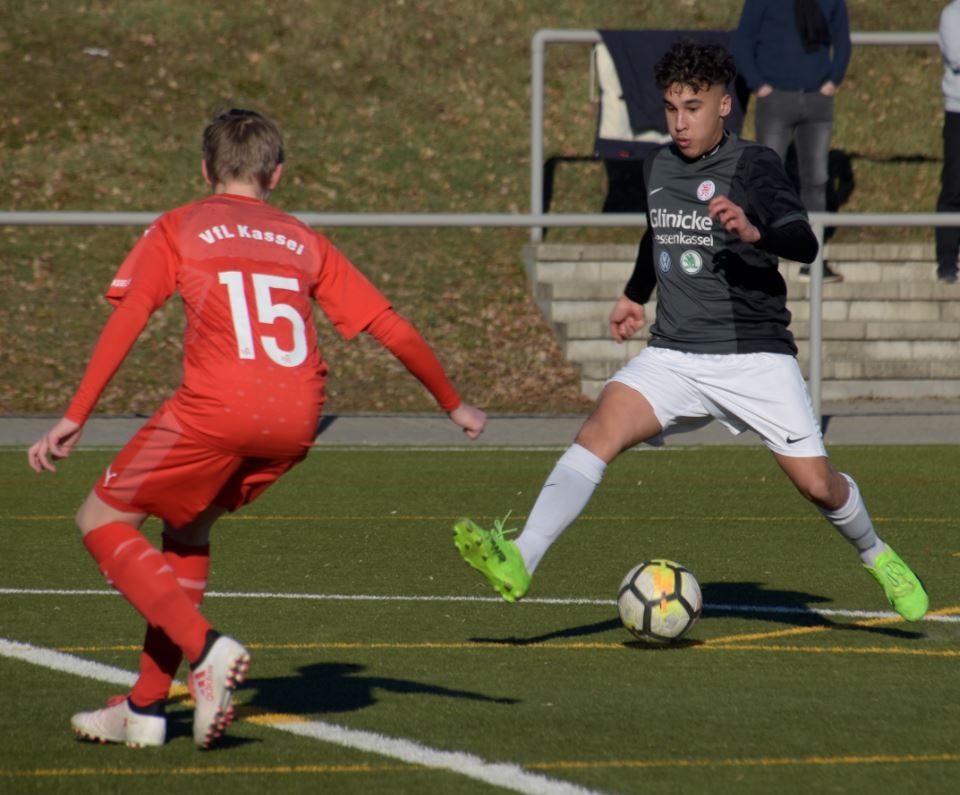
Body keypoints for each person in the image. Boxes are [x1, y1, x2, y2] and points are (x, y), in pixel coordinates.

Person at [28, 108, 487, 750]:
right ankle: (145, 707)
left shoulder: (180, 225)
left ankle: (205, 649)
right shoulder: (303, 238)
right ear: (277, 174)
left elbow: (130, 316)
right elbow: (392, 327)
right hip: (295, 420)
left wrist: (76, 413)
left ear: (205, 170)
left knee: (99, 520)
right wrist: (453, 404)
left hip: (214, 409)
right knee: (187, 530)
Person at [453, 40, 928, 626]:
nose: (680, 123)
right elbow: (658, 232)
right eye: (671, 108)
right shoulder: (659, 166)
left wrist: (755, 232)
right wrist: (635, 294)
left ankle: (876, 553)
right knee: (600, 429)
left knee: (818, 486)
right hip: (674, 355)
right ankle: (521, 557)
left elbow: (804, 241)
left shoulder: (754, 165)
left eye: (693, 108)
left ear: (725, 106)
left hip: (753, 356)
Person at [732, 0, 851, 283]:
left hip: (817, 100)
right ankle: (763, 256)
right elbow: (743, 41)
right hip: (774, 99)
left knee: (816, 180)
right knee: (765, 178)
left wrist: (833, 80)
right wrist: (759, 84)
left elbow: (842, 41)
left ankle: (813, 259)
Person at [936, 0, 960, 285]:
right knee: (954, 186)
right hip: (958, 111)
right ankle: (946, 260)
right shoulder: (952, 14)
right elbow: (957, 56)